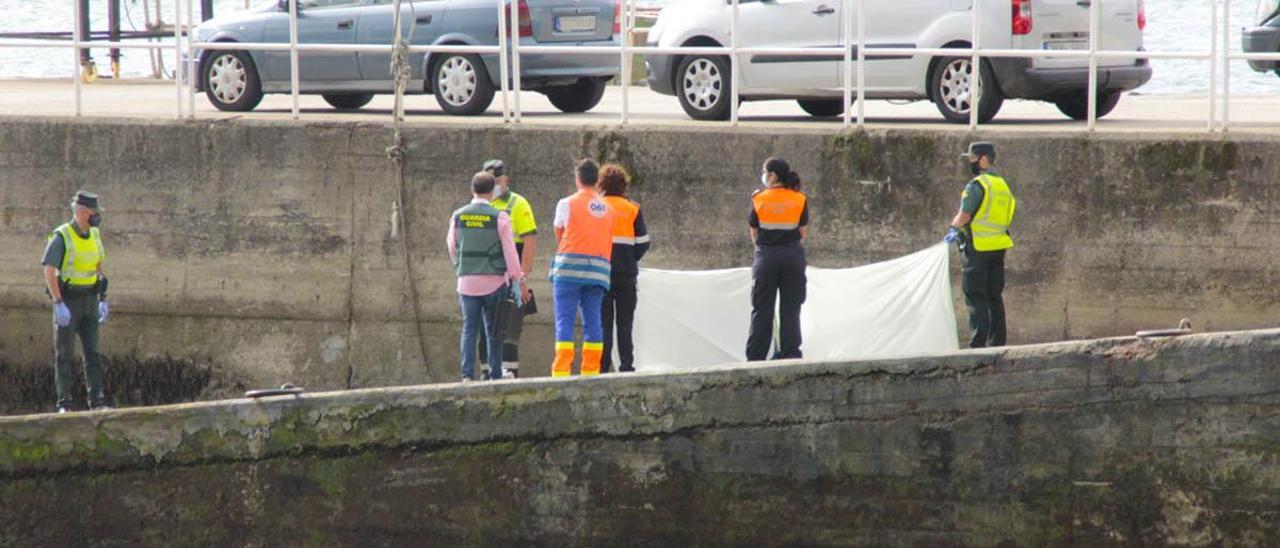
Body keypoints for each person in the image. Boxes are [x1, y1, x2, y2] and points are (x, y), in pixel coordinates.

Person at [447, 172, 526, 382]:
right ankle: (495, 374)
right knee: (494, 331)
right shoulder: (499, 217)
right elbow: (510, 253)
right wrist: (517, 279)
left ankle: (466, 375)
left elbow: (452, 247)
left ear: (472, 190)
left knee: (469, 329)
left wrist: (462, 267)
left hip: (466, 284)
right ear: (493, 192)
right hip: (495, 283)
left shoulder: (458, 216)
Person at [41, 191, 111, 413]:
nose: (97, 216)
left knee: (93, 353)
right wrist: (58, 302)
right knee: (64, 354)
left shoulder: (95, 235)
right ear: (82, 212)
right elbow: (49, 271)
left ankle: (97, 402)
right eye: (94, 212)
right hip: (68, 302)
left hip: (90, 300)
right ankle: (65, 403)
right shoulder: (62, 236)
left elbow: (98, 266)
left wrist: (103, 298)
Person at [945, 141, 1017, 348]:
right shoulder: (1002, 185)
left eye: (973, 159)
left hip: (977, 248)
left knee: (976, 297)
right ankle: (997, 344)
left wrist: (953, 229)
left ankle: (977, 347)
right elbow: (1009, 215)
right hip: (998, 248)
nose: (971, 163)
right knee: (995, 297)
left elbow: (965, 214)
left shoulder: (977, 186)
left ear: (984, 159)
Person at [550, 159, 614, 377]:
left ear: (577, 179)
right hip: (598, 272)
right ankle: (590, 371)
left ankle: (561, 372)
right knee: (594, 321)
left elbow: (559, 231)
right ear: (597, 181)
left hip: (568, 270)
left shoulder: (567, 203)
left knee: (564, 321)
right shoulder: (608, 208)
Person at [476, 159, 539, 379]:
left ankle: (510, 372)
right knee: (484, 327)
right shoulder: (482, 203)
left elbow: (529, 241)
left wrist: (523, 276)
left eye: (497, 181)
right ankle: (487, 372)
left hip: (511, 276)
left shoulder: (518, 204)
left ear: (505, 180)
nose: (494, 185)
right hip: (488, 274)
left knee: (508, 326)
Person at [746, 158, 809, 362]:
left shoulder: (758, 199)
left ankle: (756, 358)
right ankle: (791, 355)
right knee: (791, 308)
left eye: (765, 172)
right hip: (792, 257)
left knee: (762, 309)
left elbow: (754, 233)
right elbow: (802, 232)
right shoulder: (800, 199)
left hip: (766, 257)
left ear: (772, 175)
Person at [598, 164, 650, 373]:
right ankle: (626, 365)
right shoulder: (633, 209)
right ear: (623, 185)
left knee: (604, 323)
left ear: (601, 183)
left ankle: (602, 367)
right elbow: (644, 242)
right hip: (627, 274)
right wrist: (630, 258)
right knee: (625, 323)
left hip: (601, 273)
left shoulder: (597, 206)